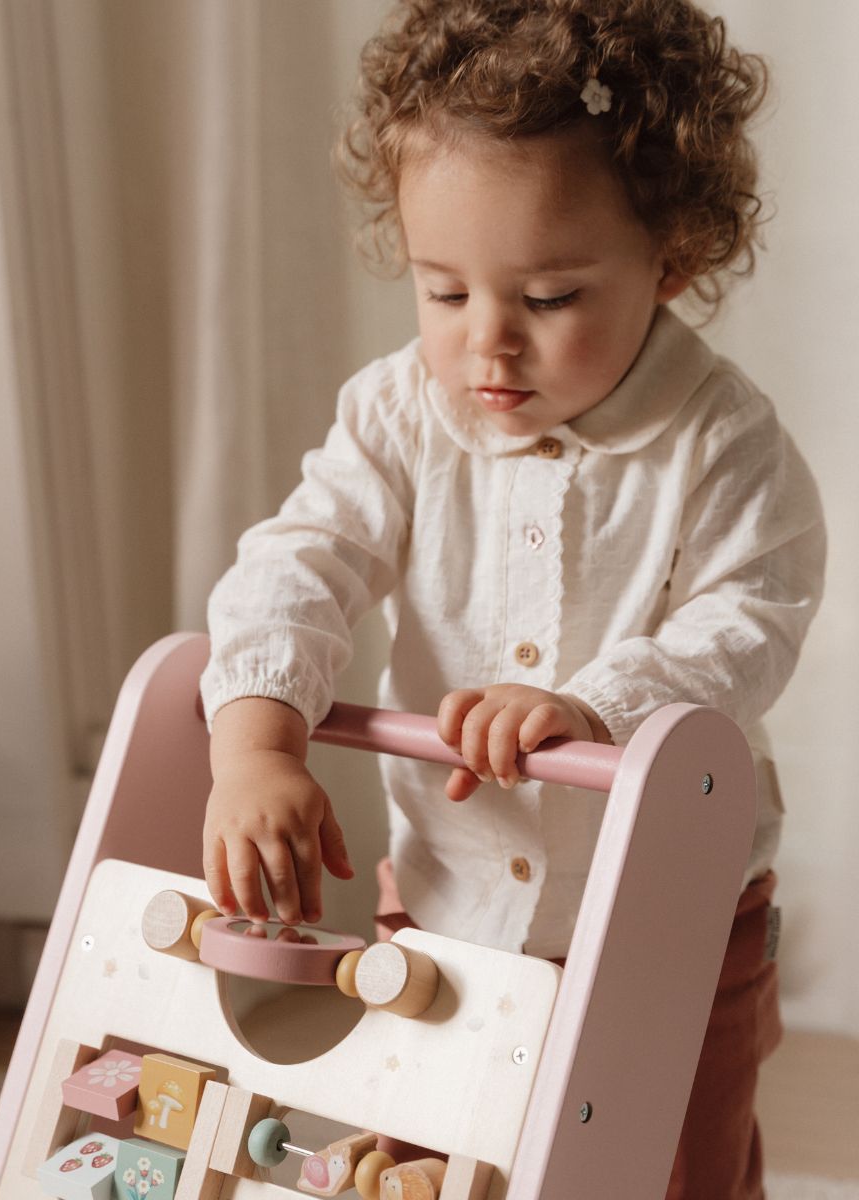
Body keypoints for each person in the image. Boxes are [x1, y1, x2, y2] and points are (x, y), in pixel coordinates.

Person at [199, 2, 826, 1197]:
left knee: (677, 1162)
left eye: (545, 301)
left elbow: (748, 623)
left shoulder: (725, 441)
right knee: (431, 1153)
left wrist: (593, 708)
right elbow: (303, 557)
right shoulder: (395, 415)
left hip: (673, 921)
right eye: (444, 294)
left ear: (673, 259)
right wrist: (257, 742)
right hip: (446, 899)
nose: (488, 346)